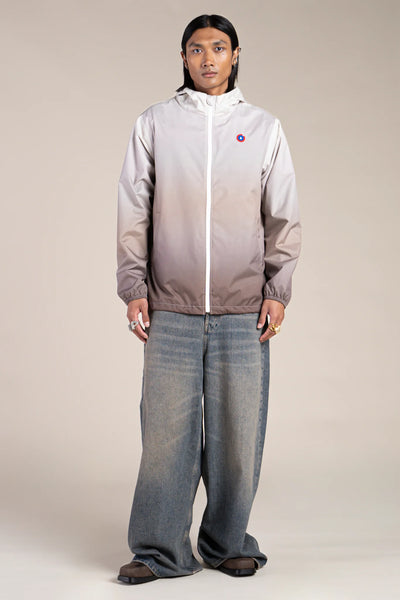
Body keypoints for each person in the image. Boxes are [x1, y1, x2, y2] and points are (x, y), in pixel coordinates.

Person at [116, 13, 301, 585]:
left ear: (235, 54)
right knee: (165, 437)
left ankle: (226, 543)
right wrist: (134, 286)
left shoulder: (263, 127)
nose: (208, 58)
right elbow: (134, 210)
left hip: (243, 310)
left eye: (218, 48)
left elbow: (283, 214)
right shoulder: (155, 124)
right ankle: (159, 551)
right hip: (169, 307)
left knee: (239, 436)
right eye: (196, 49)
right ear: (183, 58)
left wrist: (278, 290)